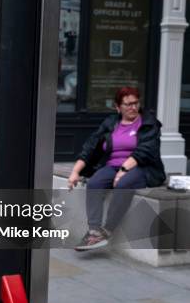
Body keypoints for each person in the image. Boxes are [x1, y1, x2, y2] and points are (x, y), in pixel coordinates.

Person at [67, 87, 166, 251]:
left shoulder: (149, 123)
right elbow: (90, 147)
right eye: (127, 104)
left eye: (135, 103)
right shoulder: (110, 123)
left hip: (142, 167)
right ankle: (93, 231)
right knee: (95, 183)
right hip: (113, 165)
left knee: (123, 184)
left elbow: (146, 150)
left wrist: (123, 171)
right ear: (117, 107)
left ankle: (106, 231)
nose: (133, 107)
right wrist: (75, 171)